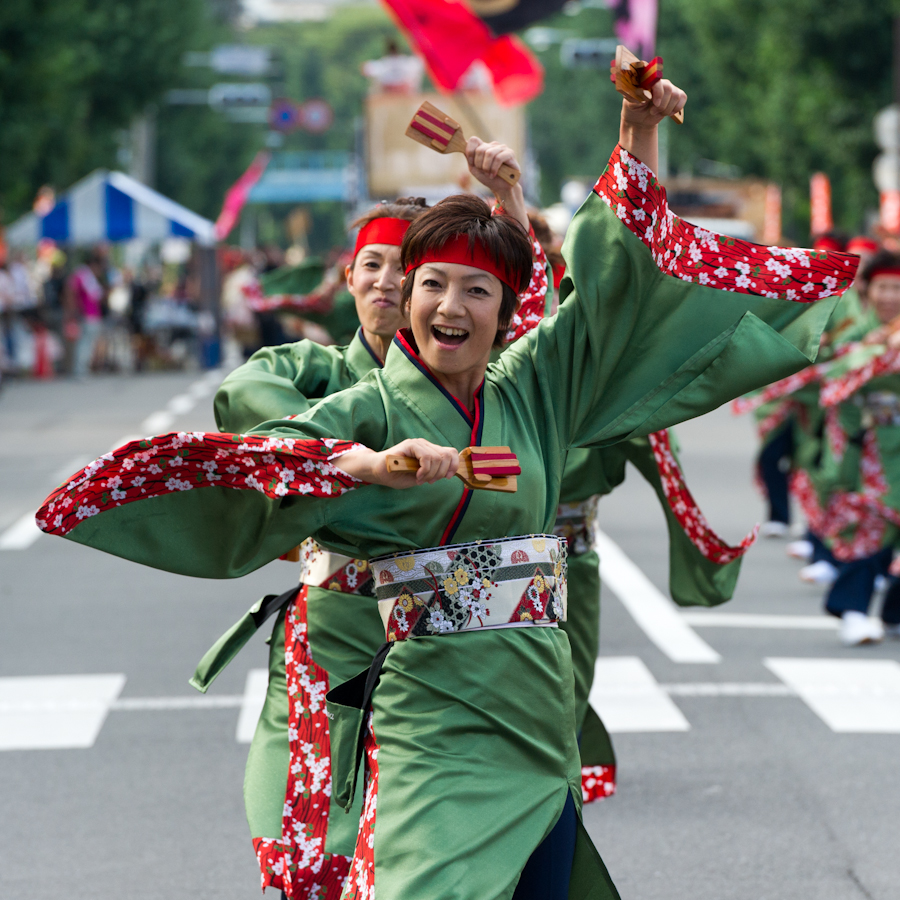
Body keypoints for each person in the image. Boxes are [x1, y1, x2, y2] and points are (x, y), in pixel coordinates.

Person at [38, 77, 857, 899]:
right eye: (429, 283)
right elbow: (264, 451)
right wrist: (360, 464)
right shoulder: (366, 404)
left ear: (509, 311)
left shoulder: (537, 386)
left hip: (538, 707)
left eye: (476, 289)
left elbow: (615, 287)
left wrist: (636, 133)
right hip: (429, 704)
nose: (446, 303)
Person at [65, 247, 107, 377]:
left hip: (93, 314)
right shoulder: (82, 274)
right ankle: (80, 370)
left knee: (87, 344)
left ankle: (83, 370)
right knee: (84, 344)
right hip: (86, 315)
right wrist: (73, 310)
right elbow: (70, 290)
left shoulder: (90, 278)